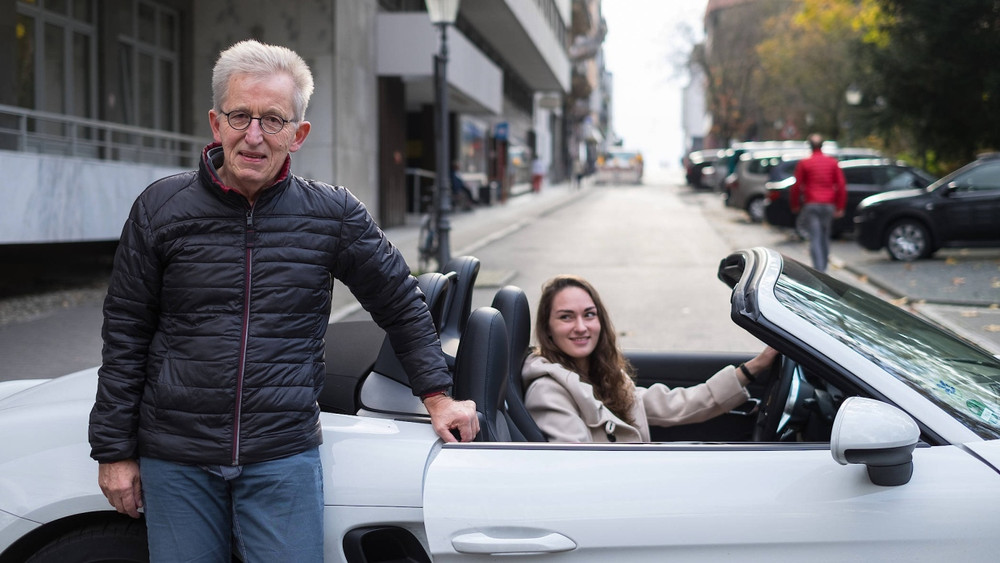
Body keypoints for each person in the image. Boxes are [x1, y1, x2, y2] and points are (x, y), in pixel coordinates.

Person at [88, 39, 478, 562]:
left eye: (273, 120)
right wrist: (114, 452)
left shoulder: (334, 214)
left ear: (299, 134)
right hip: (175, 458)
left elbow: (401, 303)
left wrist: (437, 395)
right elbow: (126, 331)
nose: (254, 136)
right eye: (240, 116)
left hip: (281, 457)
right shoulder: (160, 207)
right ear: (215, 123)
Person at [522, 275, 778, 443]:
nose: (581, 326)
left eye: (589, 314)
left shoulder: (606, 376)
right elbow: (578, 468)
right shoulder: (547, 391)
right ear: (548, 330)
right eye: (566, 317)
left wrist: (753, 368)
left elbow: (677, 405)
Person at [790, 133, 846, 271]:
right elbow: (841, 185)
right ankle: (824, 268)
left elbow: (796, 186)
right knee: (825, 236)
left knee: (815, 237)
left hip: (812, 204)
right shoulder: (832, 162)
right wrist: (840, 206)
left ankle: (819, 270)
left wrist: (795, 204)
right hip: (828, 204)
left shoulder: (805, 163)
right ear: (822, 146)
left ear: (810, 146)